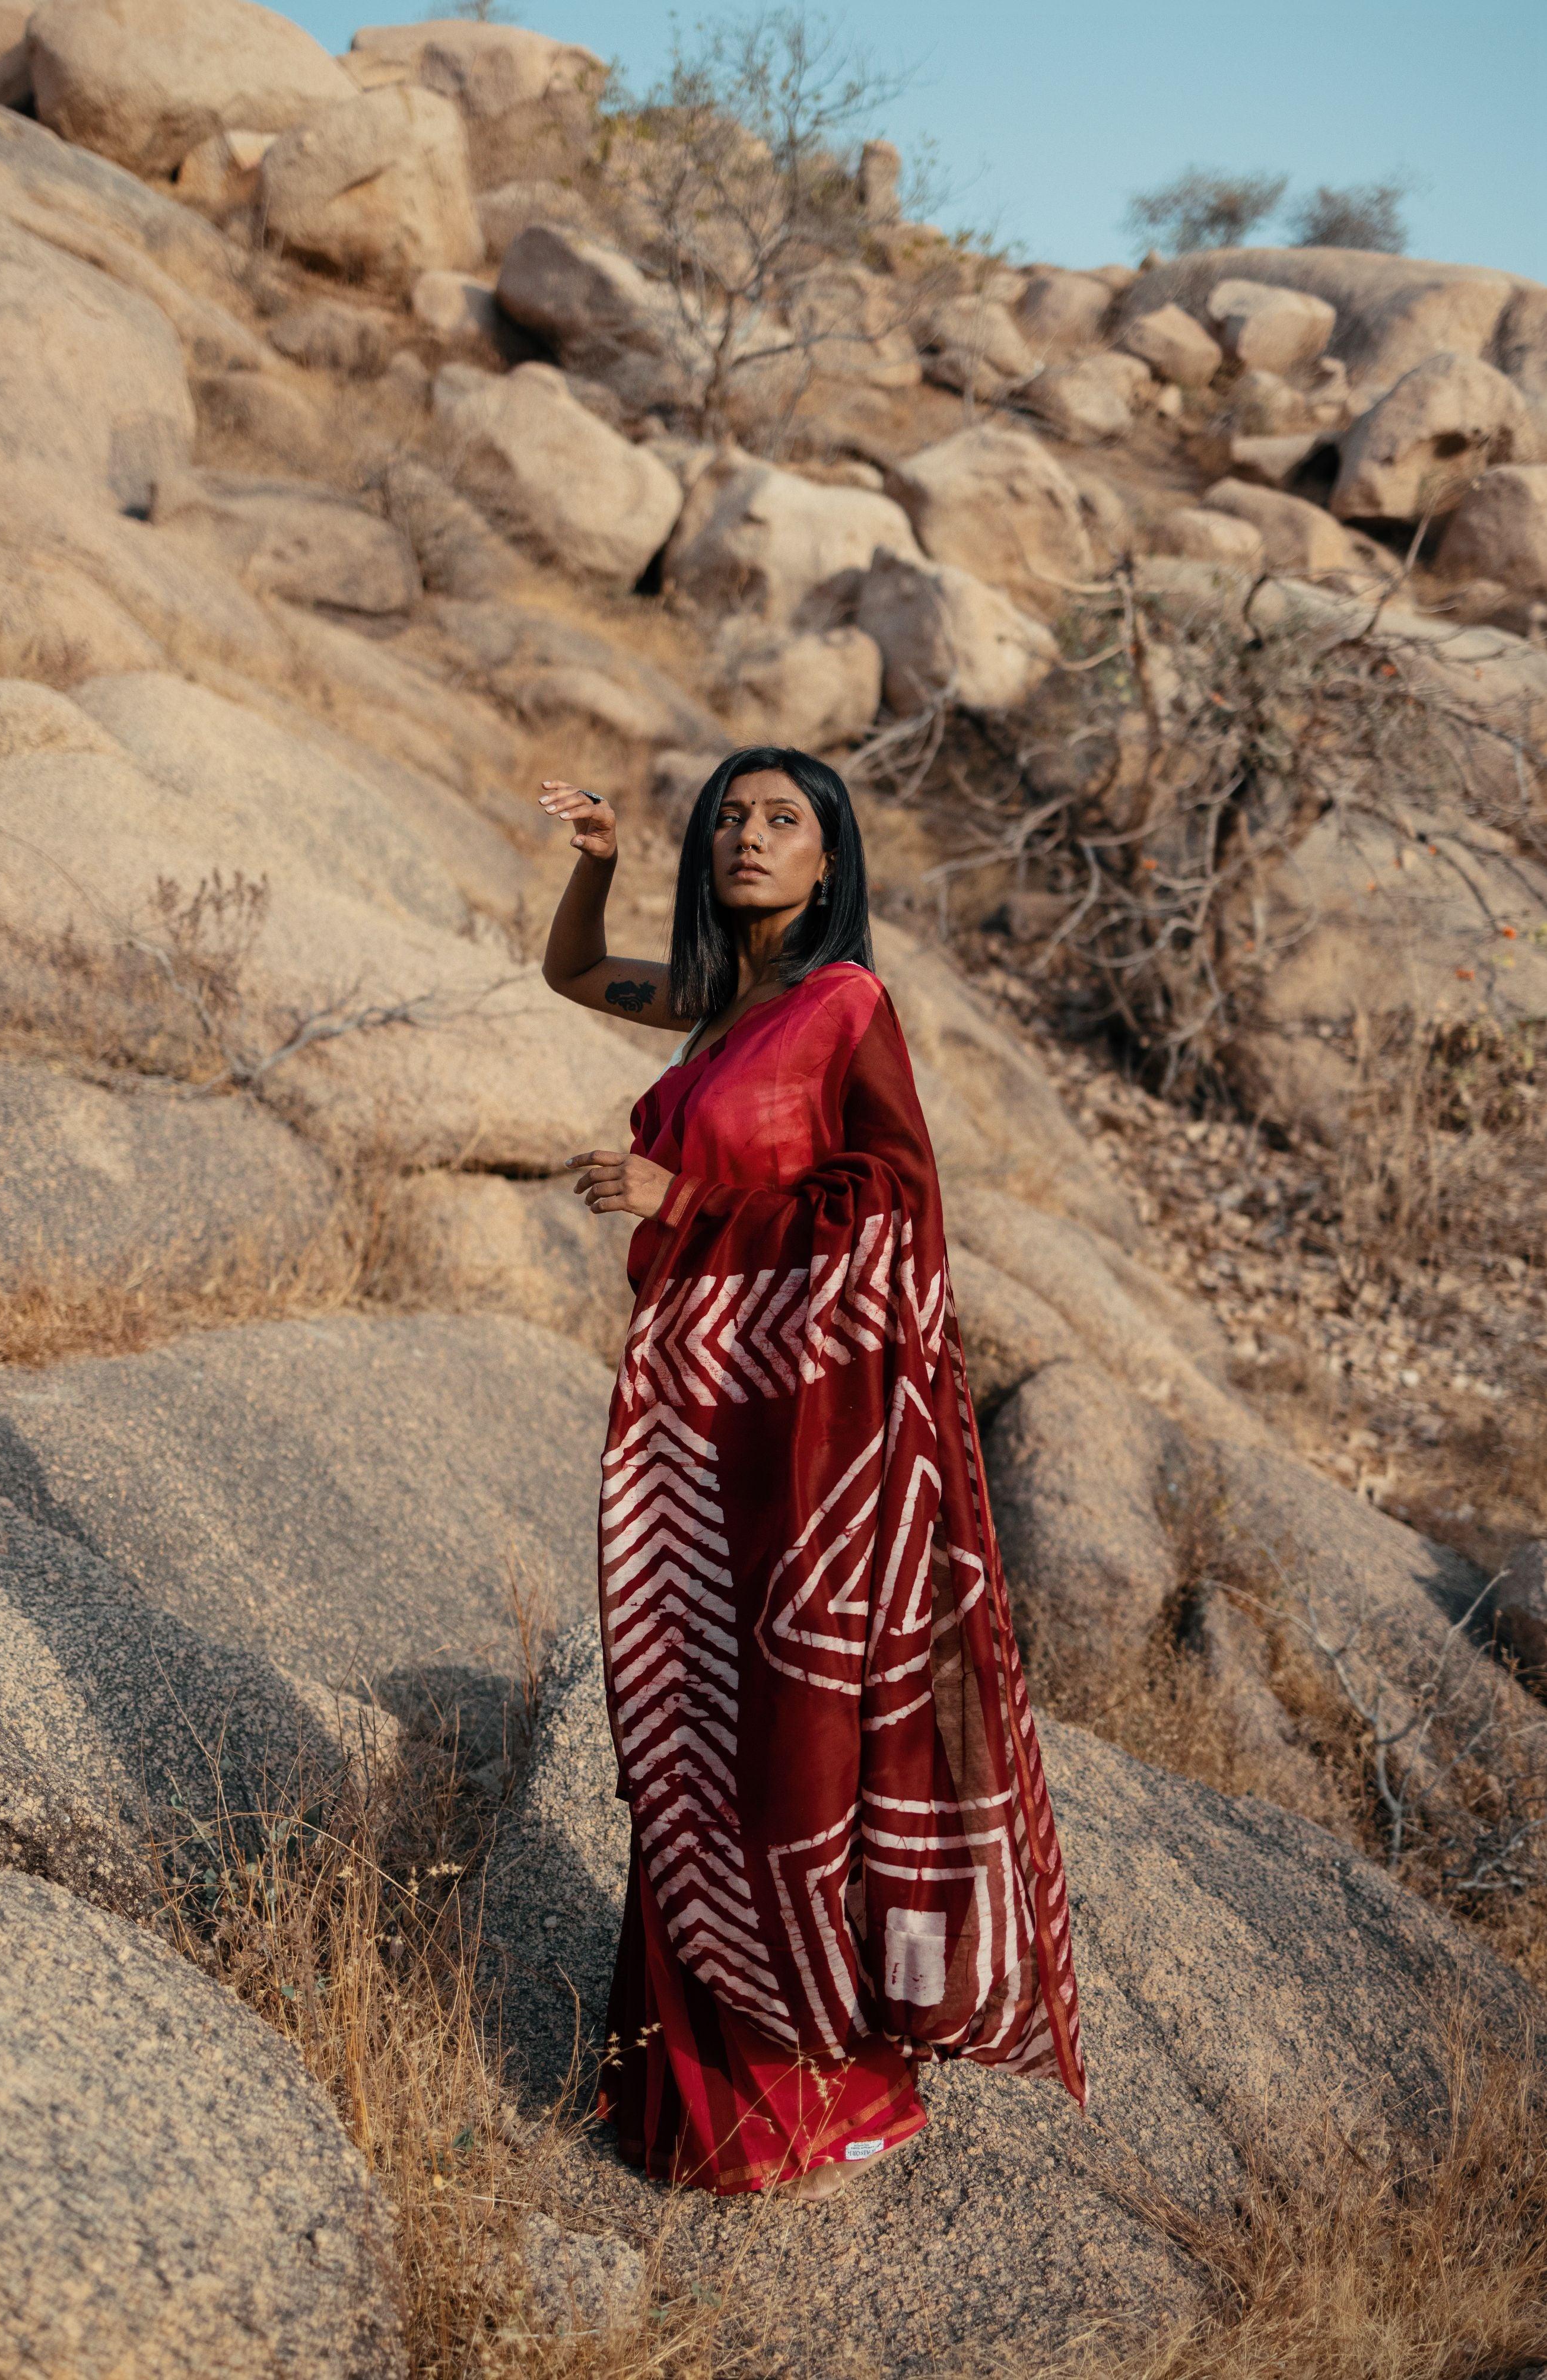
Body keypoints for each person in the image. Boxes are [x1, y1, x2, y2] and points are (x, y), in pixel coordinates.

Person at [539, 747, 1085, 2201]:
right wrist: (594, 860)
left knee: (790, 1739)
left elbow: (894, 1202)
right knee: (688, 1728)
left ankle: (816, 2091)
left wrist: (689, 1199)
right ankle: (679, 2090)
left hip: (811, 1433)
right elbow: (579, 979)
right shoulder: (724, 1007)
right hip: (700, 1422)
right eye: (730, 815)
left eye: (784, 819)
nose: (749, 835)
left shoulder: (847, 1008)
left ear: (833, 860)